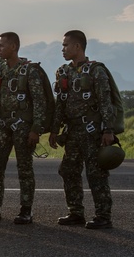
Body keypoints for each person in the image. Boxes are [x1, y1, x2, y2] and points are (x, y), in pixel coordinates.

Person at [0, 32, 49, 224]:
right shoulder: (1, 69)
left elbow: (40, 101)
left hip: (23, 125)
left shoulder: (29, 70)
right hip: (2, 123)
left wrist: (36, 129)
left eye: (1, 46)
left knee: (24, 168)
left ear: (13, 47)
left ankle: (26, 209)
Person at [48, 30, 117, 229]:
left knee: (96, 173)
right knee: (68, 170)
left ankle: (103, 216)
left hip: (92, 131)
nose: (63, 49)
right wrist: (54, 129)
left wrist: (108, 130)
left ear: (77, 46)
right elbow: (60, 103)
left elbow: (106, 102)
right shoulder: (63, 72)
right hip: (72, 132)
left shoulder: (96, 71)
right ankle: (75, 212)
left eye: (65, 45)